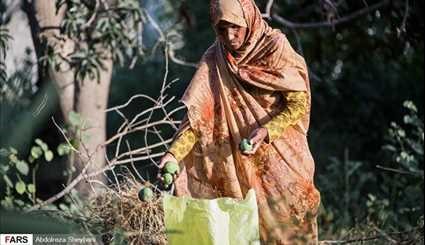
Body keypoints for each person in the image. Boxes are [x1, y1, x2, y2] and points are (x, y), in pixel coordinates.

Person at [158, 0, 321, 243]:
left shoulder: (274, 47)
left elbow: (299, 103)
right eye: (221, 29)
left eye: (235, 27)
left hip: (282, 161)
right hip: (237, 169)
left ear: (249, 20)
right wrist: (173, 154)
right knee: (245, 231)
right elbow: (197, 119)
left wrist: (266, 131)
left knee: (292, 231)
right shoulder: (215, 59)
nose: (229, 35)